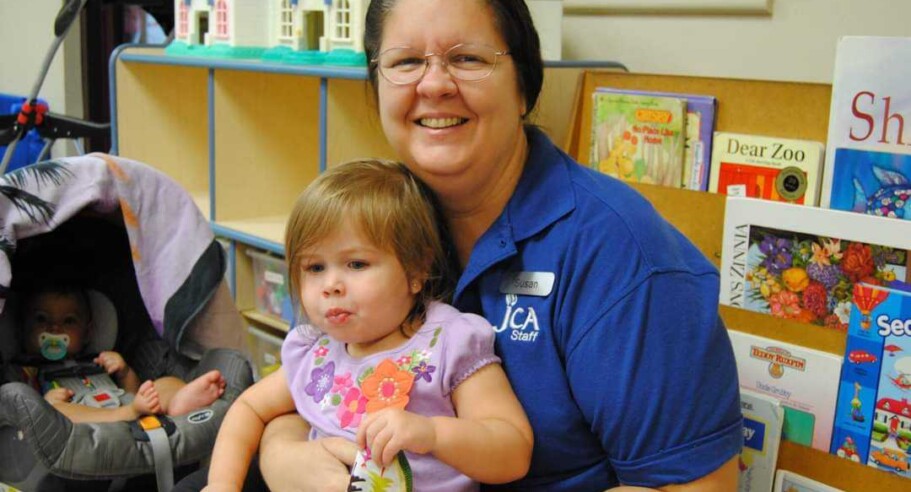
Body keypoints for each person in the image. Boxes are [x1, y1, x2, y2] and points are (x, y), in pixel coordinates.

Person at [179, 0, 742, 489]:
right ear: (375, 93)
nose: (434, 84)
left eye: (467, 58)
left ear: (524, 84)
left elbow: (694, 490)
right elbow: (313, 382)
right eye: (404, 62)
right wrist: (284, 457)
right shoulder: (378, 226)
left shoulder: (624, 258)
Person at [202, 159, 532, 492]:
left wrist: (433, 433)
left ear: (416, 269)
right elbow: (248, 408)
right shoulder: (316, 353)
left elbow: (513, 448)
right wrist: (221, 484)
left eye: (356, 263)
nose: (331, 284)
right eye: (315, 267)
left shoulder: (448, 342)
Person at [17, 282, 227, 423]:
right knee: (52, 410)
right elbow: (18, 408)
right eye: (42, 319)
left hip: (123, 405)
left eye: (68, 321)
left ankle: (177, 401)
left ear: (88, 332)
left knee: (164, 382)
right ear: (23, 326)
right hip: (76, 420)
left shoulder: (98, 360)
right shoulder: (25, 368)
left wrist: (125, 373)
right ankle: (127, 414)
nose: (54, 329)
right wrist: (42, 399)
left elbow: (134, 394)